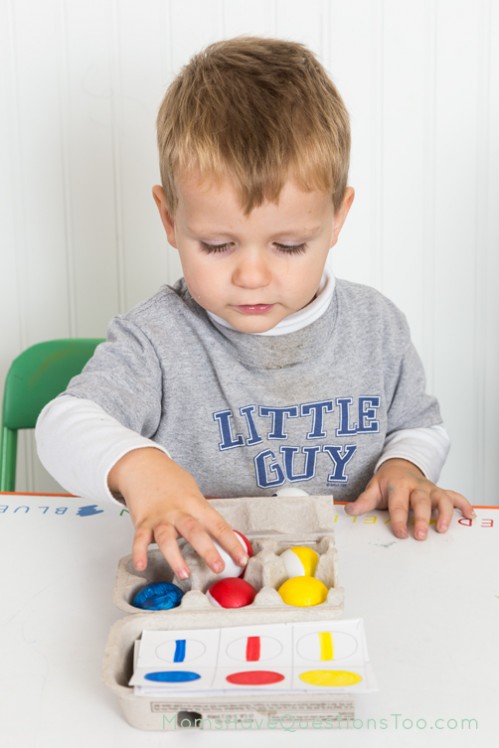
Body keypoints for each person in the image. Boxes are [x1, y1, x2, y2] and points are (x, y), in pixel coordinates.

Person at [36, 37, 474, 579]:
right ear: (170, 219)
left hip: (354, 585)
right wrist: (144, 470)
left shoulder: (376, 327)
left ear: (337, 218)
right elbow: (63, 423)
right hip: (210, 585)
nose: (251, 275)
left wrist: (405, 467)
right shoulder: (157, 339)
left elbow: (419, 427)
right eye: (218, 245)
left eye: (288, 246)